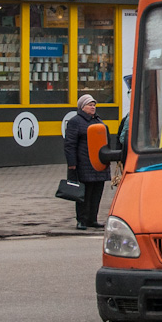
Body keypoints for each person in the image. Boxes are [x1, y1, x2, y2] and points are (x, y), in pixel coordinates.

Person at [62, 93, 109, 230]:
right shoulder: (75, 122)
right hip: (83, 164)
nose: (93, 107)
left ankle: (92, 219)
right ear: (82, 107)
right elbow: (70, 144)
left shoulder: (98, 121)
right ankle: (81, 220)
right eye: (90, 105)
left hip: (98, 164)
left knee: (96, 193)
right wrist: (72, 164)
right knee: (83, 193)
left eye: (94, 105)